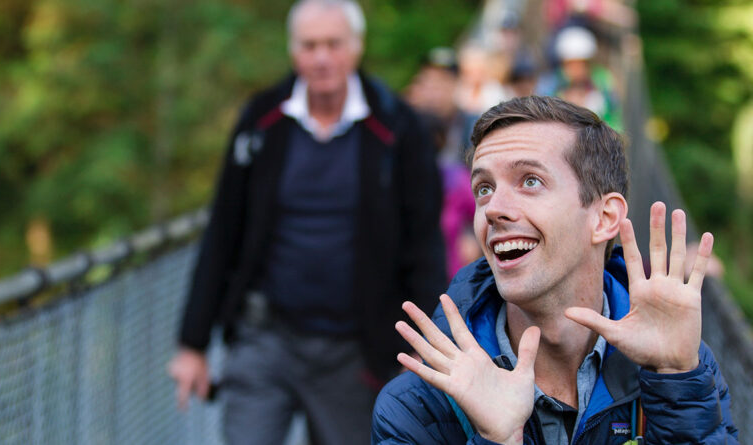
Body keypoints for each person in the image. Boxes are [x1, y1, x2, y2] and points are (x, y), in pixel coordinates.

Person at [372, 96, 738, 444]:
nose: (493, 208)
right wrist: (496, 441)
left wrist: (675, 382)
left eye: (530, 181)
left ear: (604, 218)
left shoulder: (682, 362)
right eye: (484, 188)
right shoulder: (416, 405)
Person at [168, 1, 447, 444]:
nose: (321, 58)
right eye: (309, 45)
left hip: (356, 351)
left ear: (356, 47)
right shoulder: (262, 120)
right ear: (293, 50)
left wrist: (434, 346)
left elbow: (424, 244)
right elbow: (224, 229)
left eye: (333, 44)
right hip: (264, 339)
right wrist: (192, 344)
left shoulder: (397, 127)